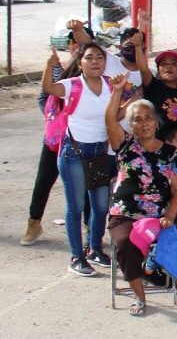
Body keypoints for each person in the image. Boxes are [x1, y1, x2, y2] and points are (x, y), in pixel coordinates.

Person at [103, 79, 177, 315]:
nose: (144, 122)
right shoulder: (125, 146)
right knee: (125, 243)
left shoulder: (170, 152)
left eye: (148, 117)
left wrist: (170, 217)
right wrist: (116, 91)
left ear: (157, 121)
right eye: (137, 119)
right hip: (125, 215)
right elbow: (109, 121)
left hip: (159, 215)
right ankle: (139, 295)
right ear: (131, 125)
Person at [42, 42, 115, 276]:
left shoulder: (110, 86)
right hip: (73, 152)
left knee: (101, 206)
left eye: (99, 58)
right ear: (80, 63)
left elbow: (116, 115)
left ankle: (95, 248)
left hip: (100, 153)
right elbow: (48, 88)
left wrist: (129, 99)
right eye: (89, 58)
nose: (95, 62)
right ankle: (76, 256)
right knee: (75, 207)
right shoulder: (72, 85)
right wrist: (48, 66)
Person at [23, 35, 79, 247]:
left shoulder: (97, 75)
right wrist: (53, 120)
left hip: (82, 141)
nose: (76, 48)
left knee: (83, 187)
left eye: (80, 44)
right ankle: (34, 222)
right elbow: (44, 96)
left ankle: (89, 230)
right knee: (44, 180)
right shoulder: (60, 69)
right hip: (56, 139)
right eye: (73, 43)